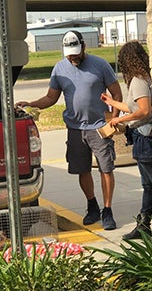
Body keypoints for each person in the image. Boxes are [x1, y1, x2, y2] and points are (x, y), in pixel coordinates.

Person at [15, 30, 122, 230]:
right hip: (75, 128)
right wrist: (30, 103)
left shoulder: (100, 65)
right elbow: (51, 98)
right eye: (69, 53)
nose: (72, 57)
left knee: (106, 169)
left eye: (75, 52)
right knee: (82, 170)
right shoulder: (59, 69)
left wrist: (114, 119)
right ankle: (92, 206)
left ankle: (107, 211)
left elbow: (116, 92)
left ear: (83, 47)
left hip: (100, 127)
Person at [101, 40, 152, 239]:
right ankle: (143, 224)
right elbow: (135, 107)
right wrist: (112, 103)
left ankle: (143, 224)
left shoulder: (138, 80)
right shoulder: (144, 78)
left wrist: (120, 119)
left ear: (127, 61)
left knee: (149, 184)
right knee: (148, 185)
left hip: (145, 139)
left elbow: (144, 110)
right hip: (144, 138)